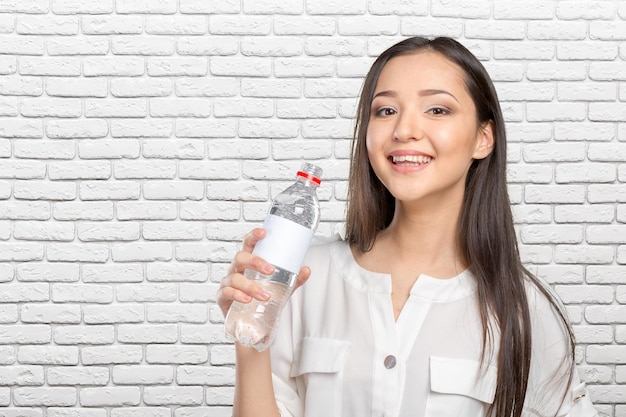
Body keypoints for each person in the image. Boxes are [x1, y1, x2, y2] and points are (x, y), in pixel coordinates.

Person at [217, 36, 598, 417]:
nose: (404, 130)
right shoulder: (301, 278)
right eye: (385, 111)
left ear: (484, 138)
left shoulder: (523, 309)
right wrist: (250, 334)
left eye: (436, 109)